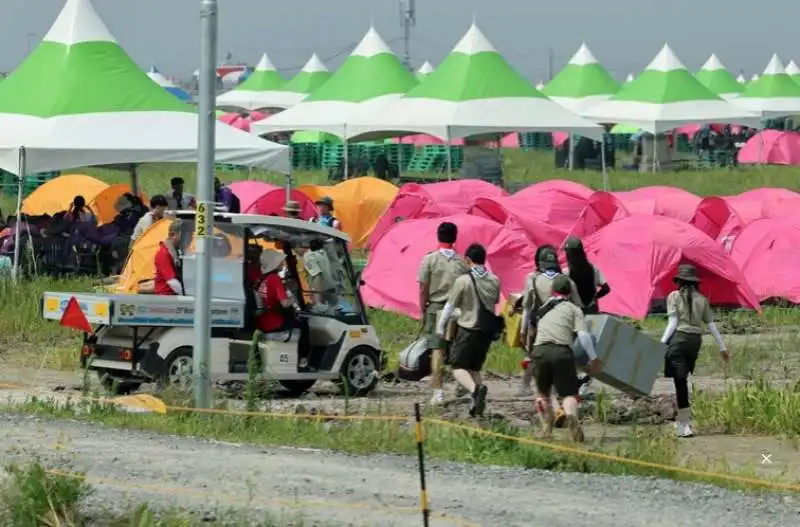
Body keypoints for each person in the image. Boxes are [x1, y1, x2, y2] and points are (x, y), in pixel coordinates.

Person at [660, 264, 729, 438]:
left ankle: (684, 425)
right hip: (695, 342)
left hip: (679, 340)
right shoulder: (703, 299)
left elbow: (673, 324)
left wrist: (661, 343)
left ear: (679, 281)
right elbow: (711, 325)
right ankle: (684, 423)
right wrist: (722, 347)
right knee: (683, 381)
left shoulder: (674, 296)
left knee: (680, 383)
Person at [531, 275, 602, 442]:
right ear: (569, 292)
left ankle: (546, 429)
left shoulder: (543, 308)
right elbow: (583, 335)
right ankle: (571, 416)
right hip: (561, 352)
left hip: (540, 350)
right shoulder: (573, 309)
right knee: (569, 394)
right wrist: (594, 359)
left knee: (543, 394)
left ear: (552, 291)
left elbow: (532, 328)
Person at [436, 243, 500, 418]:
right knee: (474, 368)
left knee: (458, 366)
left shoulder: (463, 280)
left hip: (468, 328)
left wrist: (441, 327)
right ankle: (477, 406)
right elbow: (493, 303)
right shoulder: (494, 280)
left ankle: (475, 391)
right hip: (486, 332)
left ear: (468, 260)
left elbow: (450, 306)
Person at [518, 245, 582, 397]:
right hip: (563, 323)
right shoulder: (567, 280)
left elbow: (527, 308)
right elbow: (578, 304)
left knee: (531, 355)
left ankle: (525, 385)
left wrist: (523, 329)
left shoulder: (533, 280)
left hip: (539, 323)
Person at [418, 222, 469, 405]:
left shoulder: (429, 259)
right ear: (455, 238)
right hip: (457, 310)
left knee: (437, 351)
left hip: (436, 307)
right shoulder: (462, 262)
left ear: (438, 236)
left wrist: (422, 307)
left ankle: (438, 393)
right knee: (457, 349)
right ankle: (463, 384)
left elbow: (423, 287)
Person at [563, 237, 610, 315]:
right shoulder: (593, 269)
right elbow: (606, 288)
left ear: (568, 253)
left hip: (576, 313)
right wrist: (595, 298)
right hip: (593, 310)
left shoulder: (566, 273)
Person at [254, 250, 295, 333]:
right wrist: (294, 295)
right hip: (274, 322)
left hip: (262, 322)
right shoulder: (274, 278)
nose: (283, 263)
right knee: (303, 324)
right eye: (280, 261)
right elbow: (285, 303)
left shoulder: (261, 278)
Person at [301, 239, 338, 307]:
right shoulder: (323, 251)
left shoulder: (308, 256)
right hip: (332, 289)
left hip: (322, 292)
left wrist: (317, 301)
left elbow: (317, 276)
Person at [153, 220, 184, 296]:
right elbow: (172, 281)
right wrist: (183, 295)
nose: (189, 238)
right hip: (167, 296)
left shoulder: (177, 252)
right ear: (173, 235)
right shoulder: (164, 254)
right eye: (184, 235)